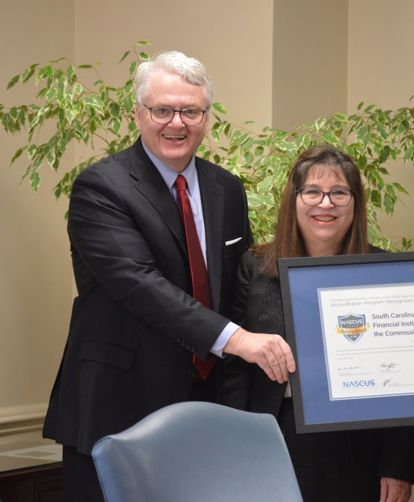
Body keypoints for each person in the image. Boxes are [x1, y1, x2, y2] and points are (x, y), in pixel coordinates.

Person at [43, 51, 295, 501]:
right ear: (138, 113)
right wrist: (239, 340)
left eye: (190, 111)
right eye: (162, 110)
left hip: (206, 406)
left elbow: (239, 286)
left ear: (207, 117)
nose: (176, 123)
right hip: (118, 404)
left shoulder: (226, 188)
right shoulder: (101, 187)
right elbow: (138, 283)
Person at [219, 145, 414, 502]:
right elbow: (233, 367)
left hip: (358, 448)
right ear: (294, 199)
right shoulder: (254, 266)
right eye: (312, 191)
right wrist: (237, 447)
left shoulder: (382, 268)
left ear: (355, 202)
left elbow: (404, 374)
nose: (325, 204)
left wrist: (397, 465)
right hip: (273, 437)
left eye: (339, 193)